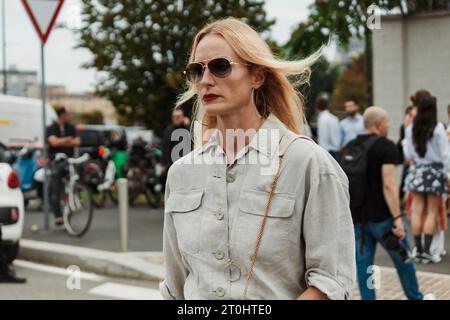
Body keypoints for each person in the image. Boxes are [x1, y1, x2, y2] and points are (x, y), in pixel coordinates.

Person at [160, 17, 355, 300]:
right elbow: (174, 288)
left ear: (257, 76)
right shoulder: (181, 173)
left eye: (220, 66)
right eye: (196, 70)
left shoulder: (307, 163)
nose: (205, 80)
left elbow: (331, 281)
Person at [346, 106, 425, 300]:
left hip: (358, 221)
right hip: (384, 221)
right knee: (404, 261)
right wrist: (397, 218)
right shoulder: (385, 146)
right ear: (380, 125)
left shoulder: (350, 146)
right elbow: (389, 184)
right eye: (388, 122)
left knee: (365, 268)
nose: (388, 125)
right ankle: (415, 297)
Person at [403, 95, 450, 264]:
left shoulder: (410, 129)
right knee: (431, 212)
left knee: (417, 210)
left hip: (417, 171)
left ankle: (419, 251)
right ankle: (428, 251)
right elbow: (446, 156)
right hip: (435, 172)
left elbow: (408, 154)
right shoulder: (437, 128)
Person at [46, 107, 81, 226]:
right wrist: (67, 140)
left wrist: (61, 141)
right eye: (67, 114)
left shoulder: (70, 127)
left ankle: (72, 202)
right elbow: (53, 142)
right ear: (61, 115)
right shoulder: (51, 128)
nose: (69, 116)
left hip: (69, 160)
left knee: (72, 182)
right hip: (55, 162)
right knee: (56, 187)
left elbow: (77, 142)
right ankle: (58, 215)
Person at [315, 96, 341, 161]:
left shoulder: (322, 119)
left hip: (328, 152)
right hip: (336, 151)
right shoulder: (334, 118)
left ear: (317, 107)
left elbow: (323, 139)